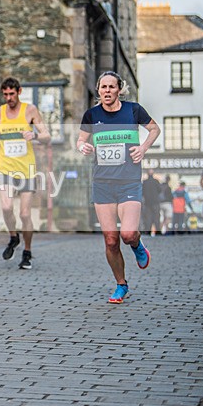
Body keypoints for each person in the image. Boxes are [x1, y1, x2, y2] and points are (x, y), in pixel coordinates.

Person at [77, 71, 160, 304]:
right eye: (103, 87)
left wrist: (143, 148)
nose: (107, 91)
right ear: (98, 90)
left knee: (127, 234)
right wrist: (82, 147)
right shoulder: (91, 115)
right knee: (111, 240)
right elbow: (80, 140)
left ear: (119, 89)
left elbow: (155, 129)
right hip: (102, 183)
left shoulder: (133, 110)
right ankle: (121, 284)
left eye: (111, 87)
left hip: (129, 181)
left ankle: (137, 244)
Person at [0, 77, 51, 269]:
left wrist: (34, 135)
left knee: (25, 214)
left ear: (19, 92)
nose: (9, 98)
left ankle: (27, 251)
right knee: (7, 207)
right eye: (6, 94)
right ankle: (13, 237)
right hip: (5, 167)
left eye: (12, 93)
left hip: (26, 170)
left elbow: (47, 136)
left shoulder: (30, 110)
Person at [141, 169, 161, 236]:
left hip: (147, 202)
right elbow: (160, 190)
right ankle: (158, 231)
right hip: (155, 202)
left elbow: (142, 192)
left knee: (148, 217)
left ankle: (148, 231)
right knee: (156, 217)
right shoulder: (156, 181)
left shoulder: (145, 182)